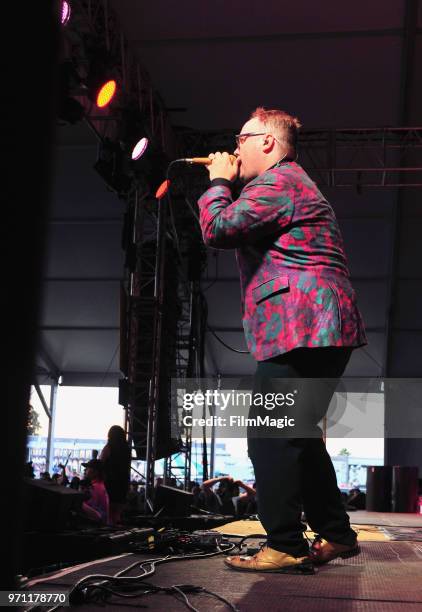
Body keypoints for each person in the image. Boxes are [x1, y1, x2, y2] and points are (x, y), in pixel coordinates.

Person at [198, 107, 367, 573]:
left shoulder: (278, 183)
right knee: (300, 436)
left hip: (304, 324)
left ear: (268, 143)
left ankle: (286, 543)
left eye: (242, 139)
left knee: (270, 436)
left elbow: (219, 229)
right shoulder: (289, 184)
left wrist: (217, 182)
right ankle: (336, 534)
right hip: (321, 325)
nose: (234, 149)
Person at [100, 425, 131, 525]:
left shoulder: (109, 447)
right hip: (123, 483)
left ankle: (110, 535)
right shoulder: (127, 448)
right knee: (117, 514)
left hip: (110, 483)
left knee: (109, 514)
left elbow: (101, 462)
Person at [81, 459, 110, 524]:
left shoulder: (95, 487)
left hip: (97, 527)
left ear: (95, 472)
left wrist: (78, 502)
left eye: (87, 468)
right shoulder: (99, 485)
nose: (84, 470)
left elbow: (96, 515)